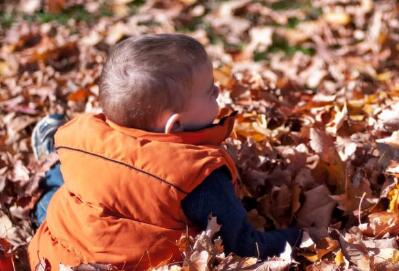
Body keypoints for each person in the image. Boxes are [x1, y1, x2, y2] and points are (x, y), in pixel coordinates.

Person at [28, 34, 301, 271]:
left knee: (68, 191)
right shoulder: (197, 175)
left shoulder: (85, 134)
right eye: (209, 92)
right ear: (176, 125)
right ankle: (51, 170)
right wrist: (302, 236)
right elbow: (243, 245)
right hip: (128, 265)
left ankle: (50, 166)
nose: (218, 90)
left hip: (51, 257)